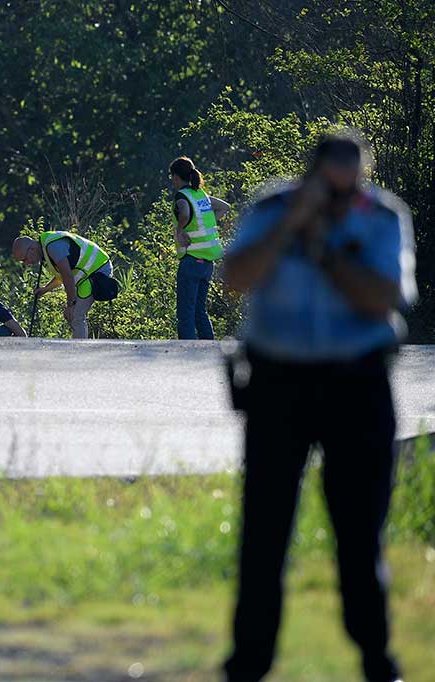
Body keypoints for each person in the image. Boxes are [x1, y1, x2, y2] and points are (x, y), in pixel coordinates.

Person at [221, 133, 415, 682]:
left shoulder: (381, 217)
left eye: (347, 188)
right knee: (264, 529)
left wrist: (324, 247)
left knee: (360, 533)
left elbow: (382, 299)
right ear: (309, 177)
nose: (338, 197)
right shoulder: (271, 208)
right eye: (327, 188)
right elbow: (235, 278)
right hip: (277, 384)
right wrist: (292, 224)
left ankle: (376, 658)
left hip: (357, 385)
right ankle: (249, 663)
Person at [12, 230, 118, 339]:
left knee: (76, 315)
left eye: (24, 259)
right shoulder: (44, 251)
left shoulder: (53, 247)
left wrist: (70, 304)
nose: (26, 264)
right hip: (87, 275)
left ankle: (80, 348)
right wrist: (45, 289)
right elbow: (61, 276)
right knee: (72, 315)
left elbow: (67, 276)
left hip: (97, 271)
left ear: (32, 249)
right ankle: (79, 343)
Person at [169, 156, 230, 340]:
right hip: (207, 263)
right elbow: (224, 207)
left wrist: (180, 230)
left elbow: (184, 212)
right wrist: (207, 221)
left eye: (171, 177)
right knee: (199, 311)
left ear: (176, 177)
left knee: (185, 314)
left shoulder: (182, 196)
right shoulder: (201, 195)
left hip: (191, 260)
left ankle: (186, 352)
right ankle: (209, 350)